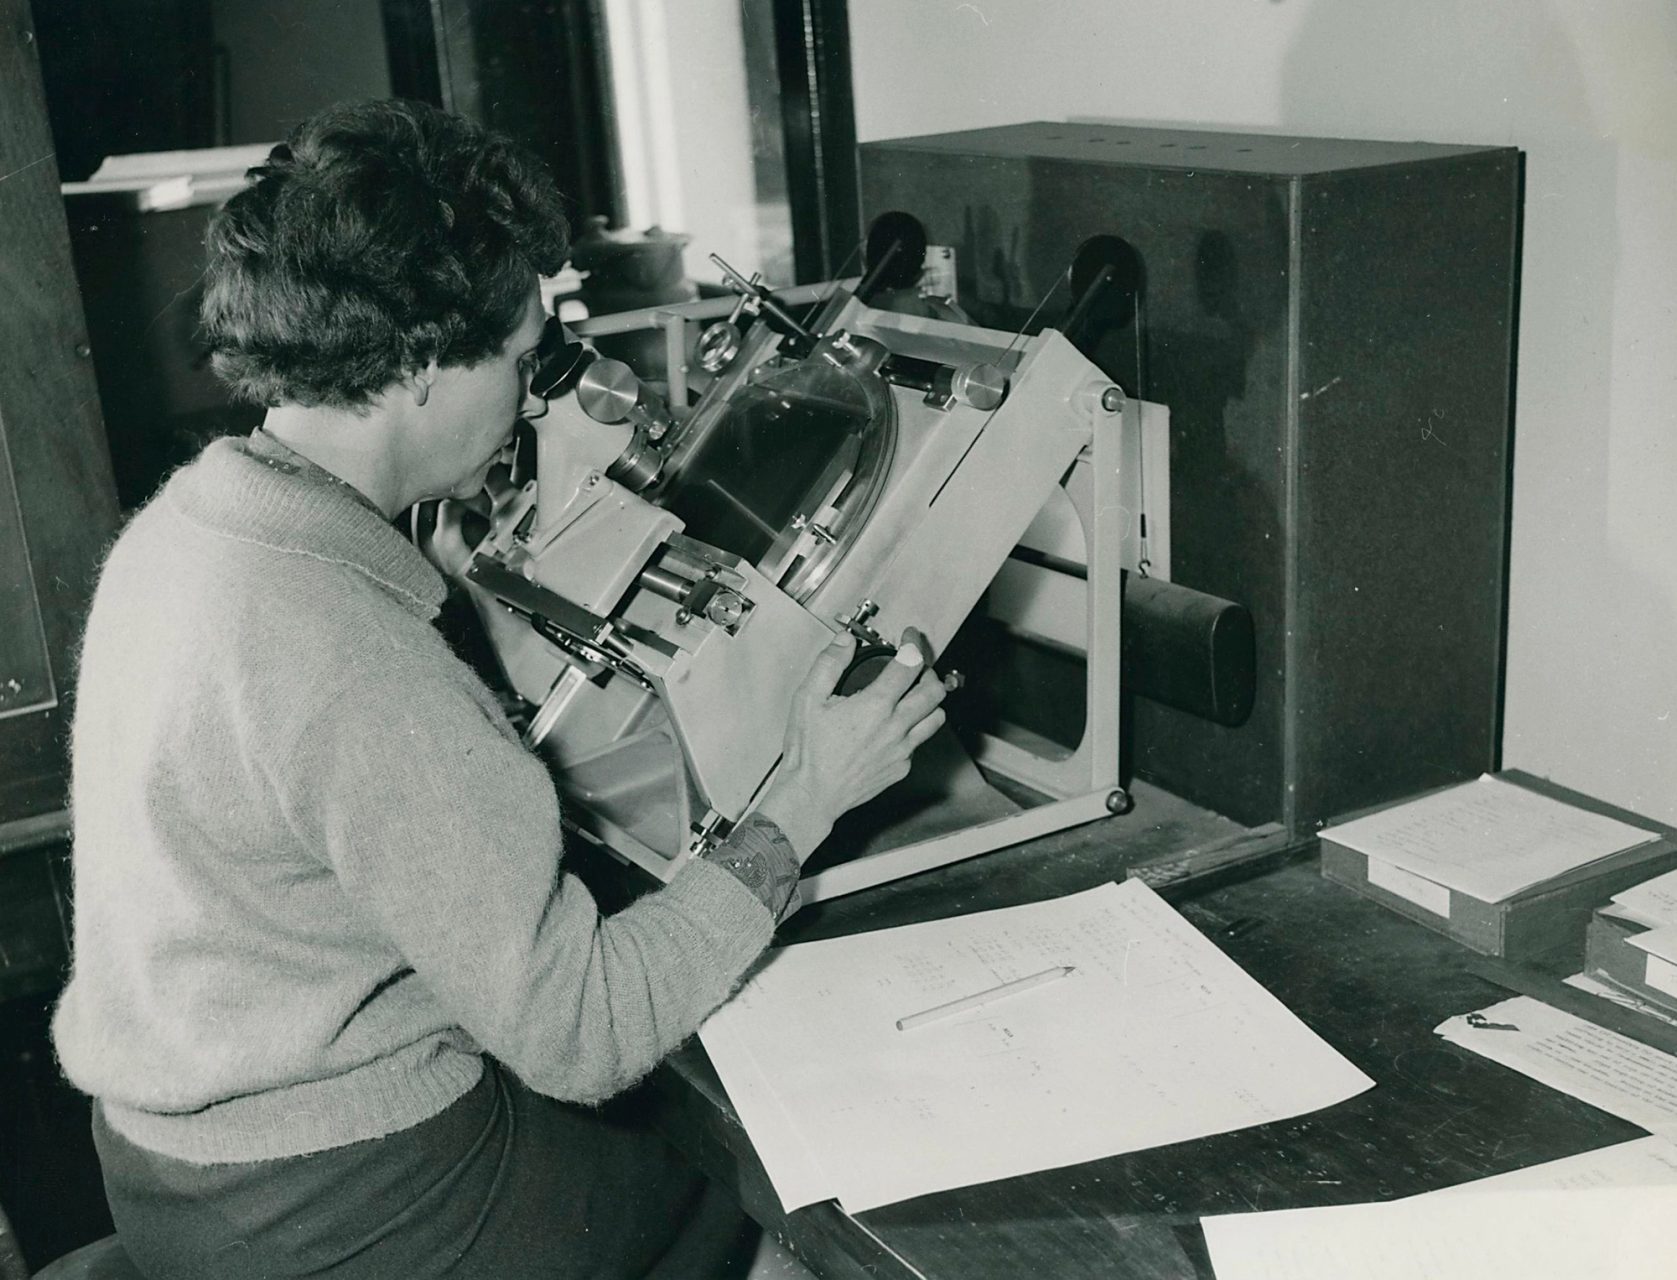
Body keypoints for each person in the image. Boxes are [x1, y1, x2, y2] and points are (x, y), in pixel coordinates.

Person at [51, 99, 946, 1279]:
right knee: (772, 1196)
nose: (535, 396)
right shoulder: (347, 652)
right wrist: (806, 804)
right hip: (332, 1201)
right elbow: (582, 1032)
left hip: (174, 1158)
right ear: (420, 363)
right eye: (524, 358)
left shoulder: (184, 529)